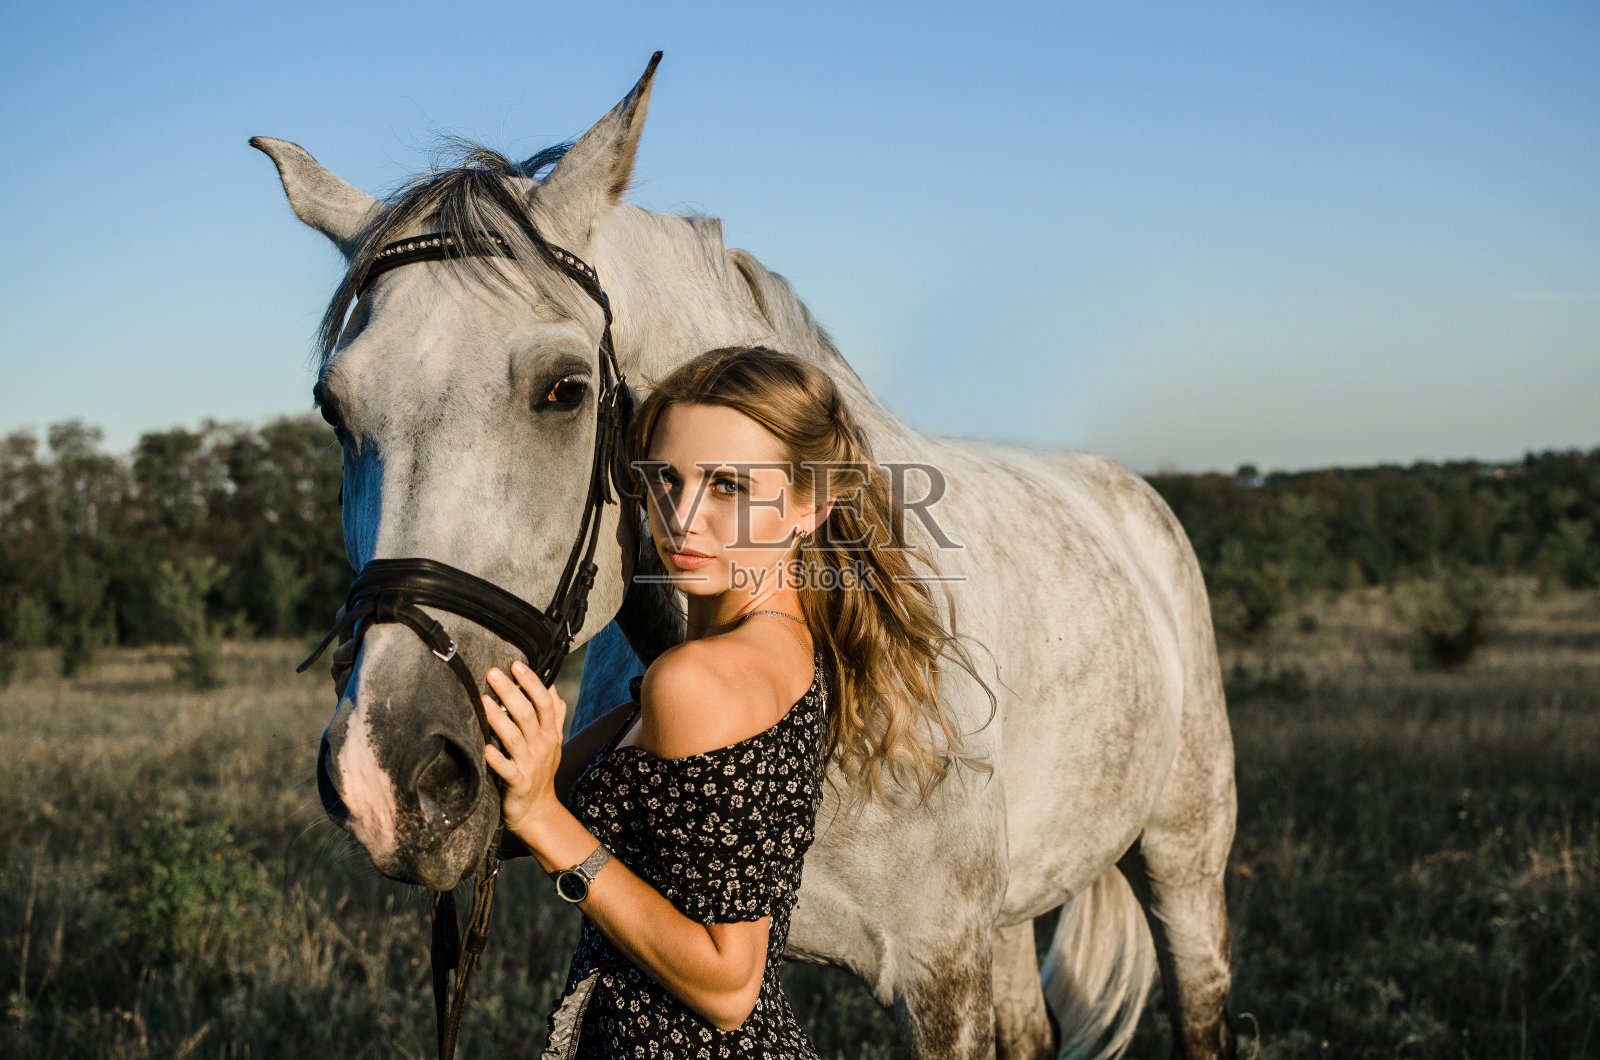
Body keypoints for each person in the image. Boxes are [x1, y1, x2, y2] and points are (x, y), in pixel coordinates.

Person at [480, 346, 996, 1059]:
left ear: (808, 506)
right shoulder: (772, 650)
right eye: (664, 478)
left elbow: (729, 985)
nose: (683, 517)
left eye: (727, 486)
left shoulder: (699, 681)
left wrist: (546, 822)